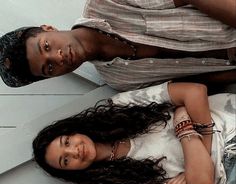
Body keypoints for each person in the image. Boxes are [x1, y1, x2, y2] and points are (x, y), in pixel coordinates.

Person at [32, 81, 236, 184]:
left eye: (67, 141)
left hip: (230, 124)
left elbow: (194, 91)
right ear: (72, 172)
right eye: (65, 161)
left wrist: (202, 151)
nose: (74, 151)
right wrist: (183, 127)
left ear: (72, 131)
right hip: (230, 177)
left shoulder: (120, 107)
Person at [1, 1, 236, 89]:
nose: (58, 57)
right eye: (49, 68)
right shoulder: (119, 80)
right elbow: (194, 82)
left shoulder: (107, 3)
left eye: (46, 47)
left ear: (48, 29)